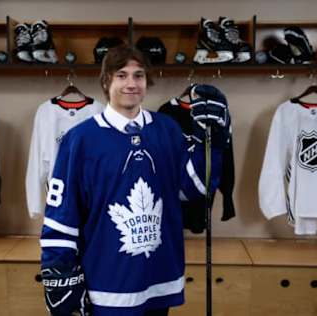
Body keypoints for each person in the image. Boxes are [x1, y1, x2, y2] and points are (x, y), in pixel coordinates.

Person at [39, 44, 227, 316]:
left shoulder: (167, 129)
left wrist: (212, 144)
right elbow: (61, 215)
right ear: (106, 81)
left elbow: (194, 190)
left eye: (138, 75)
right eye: (121, 75)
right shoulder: (80, 139)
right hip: (108, 282)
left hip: (158, 277)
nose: (131, 83)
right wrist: (59, 272)